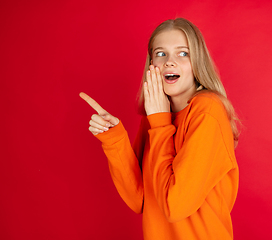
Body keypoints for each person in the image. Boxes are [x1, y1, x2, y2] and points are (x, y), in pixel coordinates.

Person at [80, 18, 240, 240]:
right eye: (161, 53)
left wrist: (160, 122)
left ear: (197, 62)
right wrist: (114, 138)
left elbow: (175, 206)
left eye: (183, 53)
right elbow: (140, 200)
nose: (169, 62)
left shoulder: (207, 110)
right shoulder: (157, 114)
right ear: (151, 63)